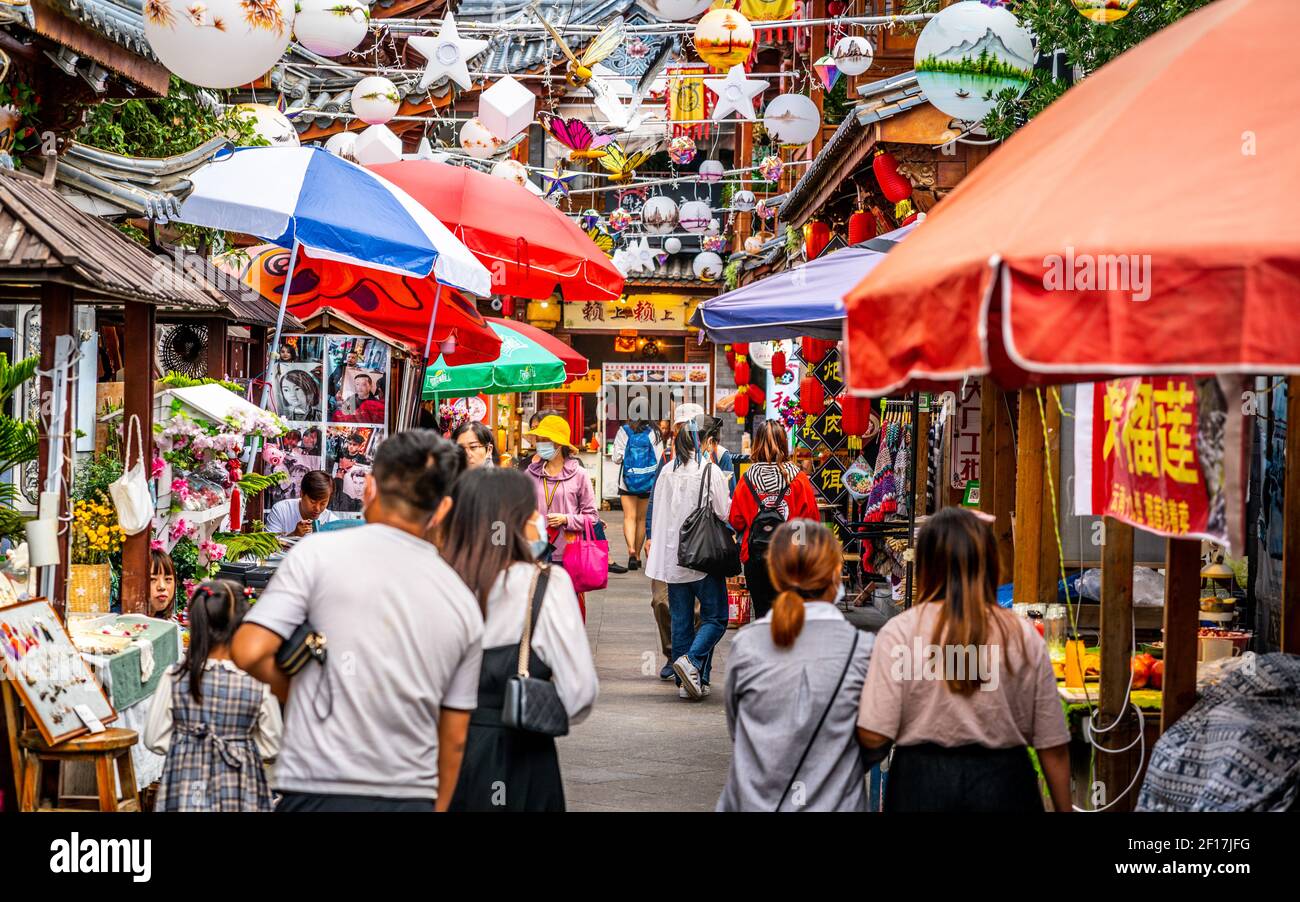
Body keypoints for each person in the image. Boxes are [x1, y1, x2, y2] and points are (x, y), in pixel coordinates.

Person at [231, 430, 483, 812]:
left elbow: (248, 650)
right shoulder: (461, 599)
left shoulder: (317, 554)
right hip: (408, 792)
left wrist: (304, 694)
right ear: (444, 508)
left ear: (369, 488)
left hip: (317, 784)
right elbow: (454, 735)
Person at [857, 507, 1073, 812]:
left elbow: (874, 733)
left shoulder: (900, 633)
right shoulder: (1021, 635)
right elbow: (1052, 743)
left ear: (926, 565)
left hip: (921, 787)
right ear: (989, 562)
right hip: (1005, 787)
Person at [437, 469, 598, 811]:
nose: (538, 519)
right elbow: (579, 693)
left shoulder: (436, 581)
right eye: (531, 512)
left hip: (438, 757)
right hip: (521, 758)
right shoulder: (545, 584)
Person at [718, 521, 873, 811]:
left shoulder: (747, 645)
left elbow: (739, 729)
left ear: (775, 575)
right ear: (836, 575)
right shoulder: (863, 650)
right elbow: (874, 737)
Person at [144, 580, 282, 812]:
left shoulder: (175, 676)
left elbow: (154, 738)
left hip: (185, 787)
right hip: (241, 789)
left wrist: (189, 746)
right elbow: (273, 744)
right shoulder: (257, 680)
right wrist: (239, 746)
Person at [644, 404, 733, 700]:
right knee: (716, 617)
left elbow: (658, 514)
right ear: (706, 442)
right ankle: (692, 662)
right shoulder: (712, 472)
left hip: (673, 558)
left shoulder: (667, 471)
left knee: (681, 622)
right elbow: (723, 512)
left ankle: (691, 684)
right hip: (703, 559)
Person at [728, 420, 820, 619]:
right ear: (784, 442)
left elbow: (735, 520)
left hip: (756, 558)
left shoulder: (748, 478)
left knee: (762, 615)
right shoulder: (798, 479)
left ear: (756, 444)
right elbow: (811, 521)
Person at [524, 416, 599, 619]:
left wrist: (566, 519)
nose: (538, 444)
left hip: (569, 551)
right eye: (537, 439)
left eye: (542, 440)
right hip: (537, 551)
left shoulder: (579, 474)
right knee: (538, 607)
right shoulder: (530, 474)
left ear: (557, 444)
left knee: (568, 607)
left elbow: (592, 517)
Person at [611, 418, 662, 571]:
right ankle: (638, 556)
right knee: (641, 519)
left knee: (629, 517)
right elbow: (659, 459)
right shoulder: (655, 432)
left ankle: (631, 550)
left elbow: (616, 458)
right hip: (648, 481)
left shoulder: (623, 431)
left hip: (627, 480)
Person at [264, 470, 338, 537]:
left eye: (323, 503)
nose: (317, 508)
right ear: (301, 494)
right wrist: (294, 535)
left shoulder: (332, 522)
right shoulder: (281, 510)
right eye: (313, 502)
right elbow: (268, 546)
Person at [149, 549, 177, 620]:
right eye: (152, 579)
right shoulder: (118, 625)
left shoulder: (174, 627)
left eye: (168, 579)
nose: (162, 586)